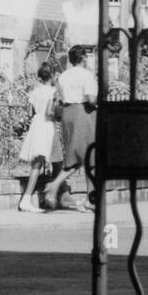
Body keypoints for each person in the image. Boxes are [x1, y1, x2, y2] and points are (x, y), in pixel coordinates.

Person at [44, 46, 97, 212]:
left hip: (68, 113)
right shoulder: (87, 75)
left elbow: (59, 97)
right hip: (83, 114)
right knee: (84, 157)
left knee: (86, 158)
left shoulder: (64, 76)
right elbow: (90, 99)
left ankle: (91, 199)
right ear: (84, 58)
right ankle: (54, 185)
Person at [17, 63, 62, 212]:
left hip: (36, 124)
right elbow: (50, 113)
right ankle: (27, 199)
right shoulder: (53, 91)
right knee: (38, 163)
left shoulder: (35, 91)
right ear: (52, 75)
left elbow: (29, 112)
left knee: (39, 162)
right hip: (46, 125)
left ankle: (33, 197)